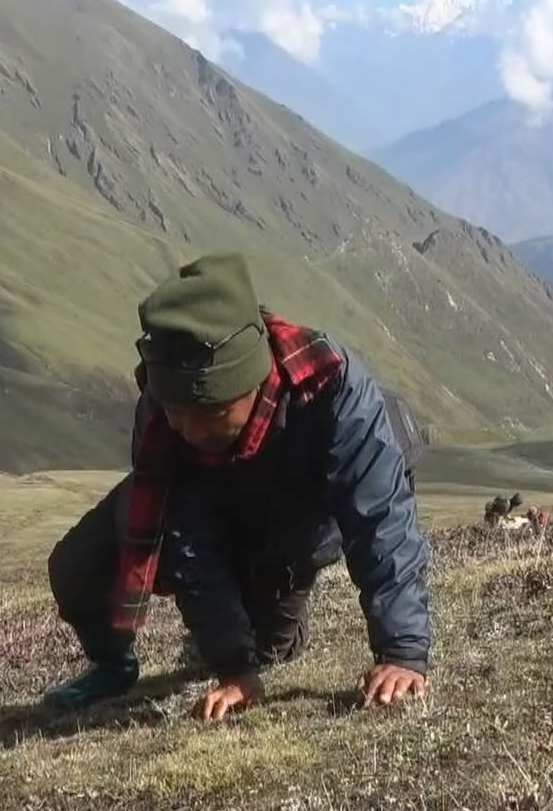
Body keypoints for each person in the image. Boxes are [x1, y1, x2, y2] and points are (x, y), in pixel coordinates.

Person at [43, 252, 432, 722]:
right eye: (175, 410)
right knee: (75, 566)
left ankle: (276, 617)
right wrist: (233, 668)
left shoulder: (335, 390)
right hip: (222, 505)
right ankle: (113, 665)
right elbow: (186, 536)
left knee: (270, 645)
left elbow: (379, 519)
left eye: (205, 413)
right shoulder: (166, 402)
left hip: (297, 518)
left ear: (251, 383)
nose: (184, 427)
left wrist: (402, 651)